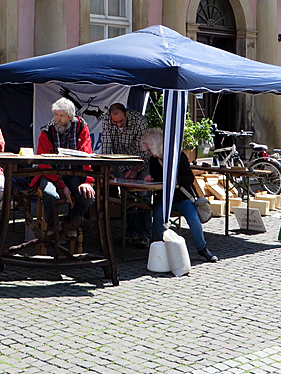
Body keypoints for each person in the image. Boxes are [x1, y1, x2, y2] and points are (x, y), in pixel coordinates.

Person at [141, 127, 218, 263]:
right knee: (158, 218)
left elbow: (189, 178)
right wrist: (150, 177)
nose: (148, 152)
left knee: (194, 220)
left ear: (157, 146)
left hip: (182, 197)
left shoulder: (178, 156)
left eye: (149, 148)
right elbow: (156, 176)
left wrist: (176, 181)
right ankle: (160, 248)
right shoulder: (154, 160)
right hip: (163, 198)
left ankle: (202, 248)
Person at [33, 97, 96, 236]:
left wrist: (87, 182)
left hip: (74, 174)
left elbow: (87, 155)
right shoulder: (47, 131)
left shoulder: (81, 127)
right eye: (56, 114)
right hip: (51, 174)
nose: (57, 119)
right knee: (49, 194)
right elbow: (43, 163)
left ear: (70, 116)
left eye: (61, 115)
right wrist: (62, 185)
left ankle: (70, 223)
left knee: (88, 196)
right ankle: (51, 225)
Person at [101, 103, 152, 246]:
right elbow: (106, 147)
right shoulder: (106, 120)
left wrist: (135, 170)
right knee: (126, 196)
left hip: (141, 162)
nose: (118, 124)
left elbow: (143, 150)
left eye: (121, 121)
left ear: (127, 114)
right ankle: (130, 233)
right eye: (115, 122)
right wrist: (106, 170)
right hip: (121, 161)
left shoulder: (140, 121)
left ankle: (145, 234)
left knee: (143, 196)